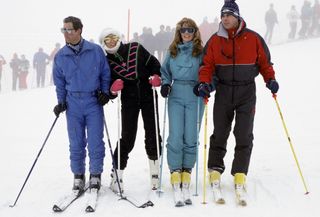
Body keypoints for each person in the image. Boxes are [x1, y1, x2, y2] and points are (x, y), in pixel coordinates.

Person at [194, 0, 279, 204]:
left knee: (243, 133)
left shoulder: (254, 38)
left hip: (246, 91)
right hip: (223, 90)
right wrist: (204, 83)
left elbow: (265, 63)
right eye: (223, 15)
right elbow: (207, 65)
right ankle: (215, 170)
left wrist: (271, 80)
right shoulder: (215, 40)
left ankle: (240, 173)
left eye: (229, 15)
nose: (225, 18)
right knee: (220, 132)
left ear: (237, 17)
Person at [99, 28, 162, 193]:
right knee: (128, 137)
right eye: (107, 40)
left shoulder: (135, 48)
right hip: (129, 101)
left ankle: (155, 174)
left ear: (118, 38)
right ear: (104, 43)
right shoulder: (107, 62)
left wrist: (156, 78)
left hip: (148, 96)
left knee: (153, 133)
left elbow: (155, 65)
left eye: (113, 38)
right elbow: (109, 88)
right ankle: (117, 175)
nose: (111, 42)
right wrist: (113, 89)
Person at [53, 16, 111, 194]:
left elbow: (105, 74)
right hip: (73, 104)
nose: (66, 33)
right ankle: (78, 175)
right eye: (64, 30)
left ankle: (95, 174)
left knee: (95, 141)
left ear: (79, 30)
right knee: (76, 142)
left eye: (69, 30)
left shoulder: (95, 51)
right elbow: (60, 82)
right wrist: (61, 102)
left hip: (93, 101)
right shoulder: (61, 56)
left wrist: (105, 93)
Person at [160, 17, 204, 206]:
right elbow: (165, 72)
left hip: (195, 95)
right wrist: (165, 84)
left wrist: (204, 85)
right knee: (176, 134)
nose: (186, 34)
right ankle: (175, 170)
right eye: (183, 30)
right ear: (179, 32)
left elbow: (209, 71)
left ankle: (187, 169)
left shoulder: (201, 52)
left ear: (195, 32)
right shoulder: (172, 51)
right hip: (176, 94)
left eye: (190, 30)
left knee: (191, 135)